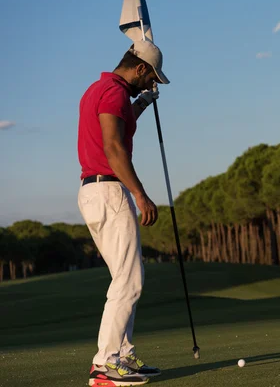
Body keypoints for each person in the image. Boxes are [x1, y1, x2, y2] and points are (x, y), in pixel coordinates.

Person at [78, 40, 169, 386]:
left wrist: (142, 103)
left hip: (92, 191)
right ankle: (106, 363)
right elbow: (113, 147)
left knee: (125, 277)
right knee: (130, 280)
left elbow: (119, 123)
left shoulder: (98, 89)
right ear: (140, 67)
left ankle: (123, 355)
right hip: (111, 190)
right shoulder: (115, 92)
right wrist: (140, 194)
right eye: (151, 78)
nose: (152, 84)